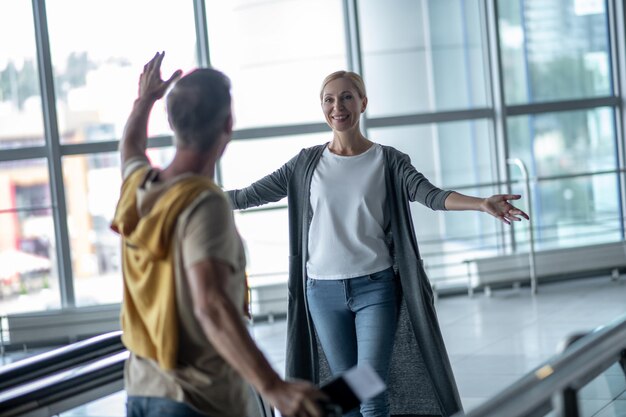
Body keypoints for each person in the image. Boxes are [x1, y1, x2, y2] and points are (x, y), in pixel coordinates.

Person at [227, 70, 530, 417]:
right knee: (348, 396)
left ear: (363, 103)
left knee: (369, 386)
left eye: (346, 97)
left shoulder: (388, 160)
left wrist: (480, 203)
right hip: (322, 293)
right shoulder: (305, 163)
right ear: (322, 107)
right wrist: (185, 199)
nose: (337, 106)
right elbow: (247, 196)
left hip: (375, 288)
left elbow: (430, 195)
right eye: (329, 99)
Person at [110, 52, 327, 417]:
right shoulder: (203, 202)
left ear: (173, 122)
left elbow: (130, 147)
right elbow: (209, 303)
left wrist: (144, 99)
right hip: (196, 400)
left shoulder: (138, 187)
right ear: (228, 123)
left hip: (142, 390)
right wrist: (275, 388)